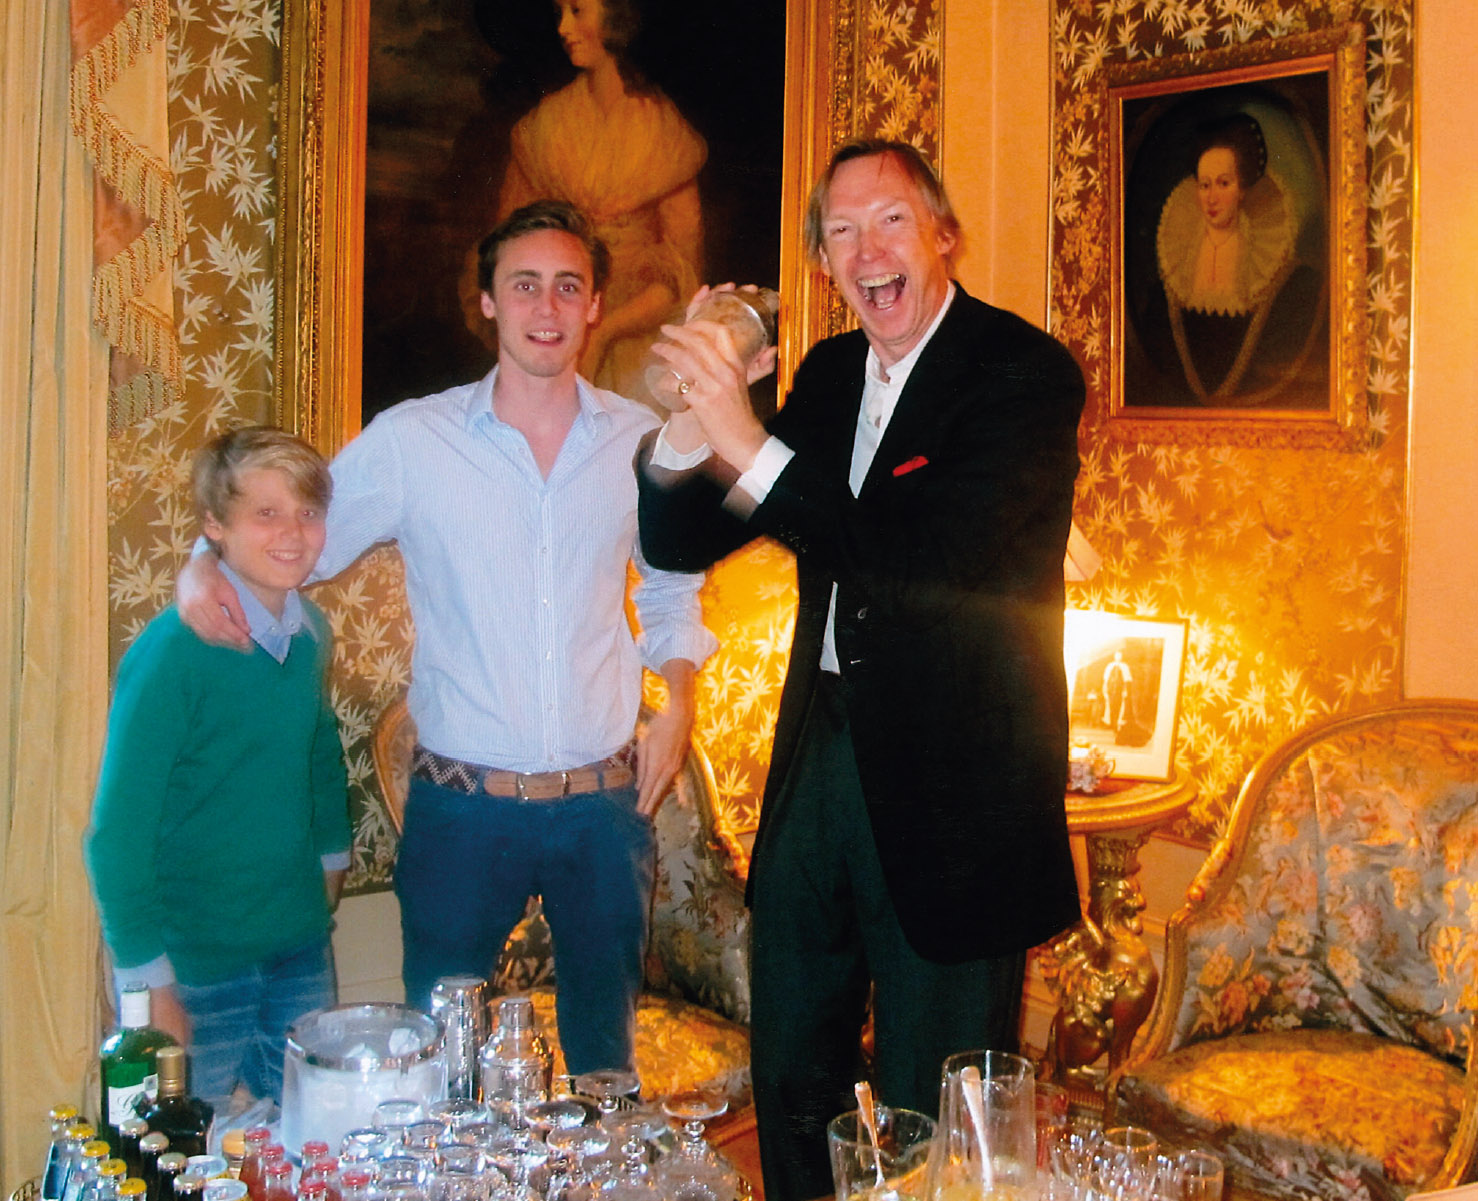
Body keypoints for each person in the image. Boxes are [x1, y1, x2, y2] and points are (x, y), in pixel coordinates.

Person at [636, 140, 1085, 1201]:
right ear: (822, 259)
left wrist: (750, 444)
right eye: (840, 232)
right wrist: (689, 418)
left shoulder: (1022, 375)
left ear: (942, 233)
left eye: (889, 220)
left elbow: (914, 556)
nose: (865, 249)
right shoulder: (832, 373)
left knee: (934, 1105)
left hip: (953, 787)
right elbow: (683, 537)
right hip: (819, 758)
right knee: (793, 1063)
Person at [177, 200, 715, 1075]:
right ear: (489, 302)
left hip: (603, 811)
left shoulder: (637, 440)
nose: (547, 307)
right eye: (525, 285)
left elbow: (669, 588)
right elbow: (296, 544)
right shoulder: (414, 441)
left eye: (567, 287)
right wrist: (203, 562)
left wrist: (679, 699)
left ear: (592, 305)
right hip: (463, 813)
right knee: (442, 1074)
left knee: (603, 1071)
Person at [86, 426, 351, 1112]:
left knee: (306, 1142)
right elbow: (115, 835)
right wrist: (150, 988)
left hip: (297, 952)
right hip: (194, 966)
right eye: (266, 513)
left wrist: (331, 862)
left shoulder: (312, 631)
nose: (292, 532)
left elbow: (320, 753)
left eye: (307, 512)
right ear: (215, 527)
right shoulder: (172, 652)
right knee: (180, 1156)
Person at [495, 0, 705, 406]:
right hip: (556, 326)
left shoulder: (663, 131)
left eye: (577, 10)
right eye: (558, 13)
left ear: (616, 18)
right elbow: (511, 247)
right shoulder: (545, 126)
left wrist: (605, 332)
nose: (563, 27)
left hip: (641, 340)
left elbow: (682, 272)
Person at [1154, 113, 1316, 403]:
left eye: (1223, 183)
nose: (1211, 198)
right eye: (1205, 185)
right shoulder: (1176, 265)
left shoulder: (1273, 268)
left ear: (1242, 189)